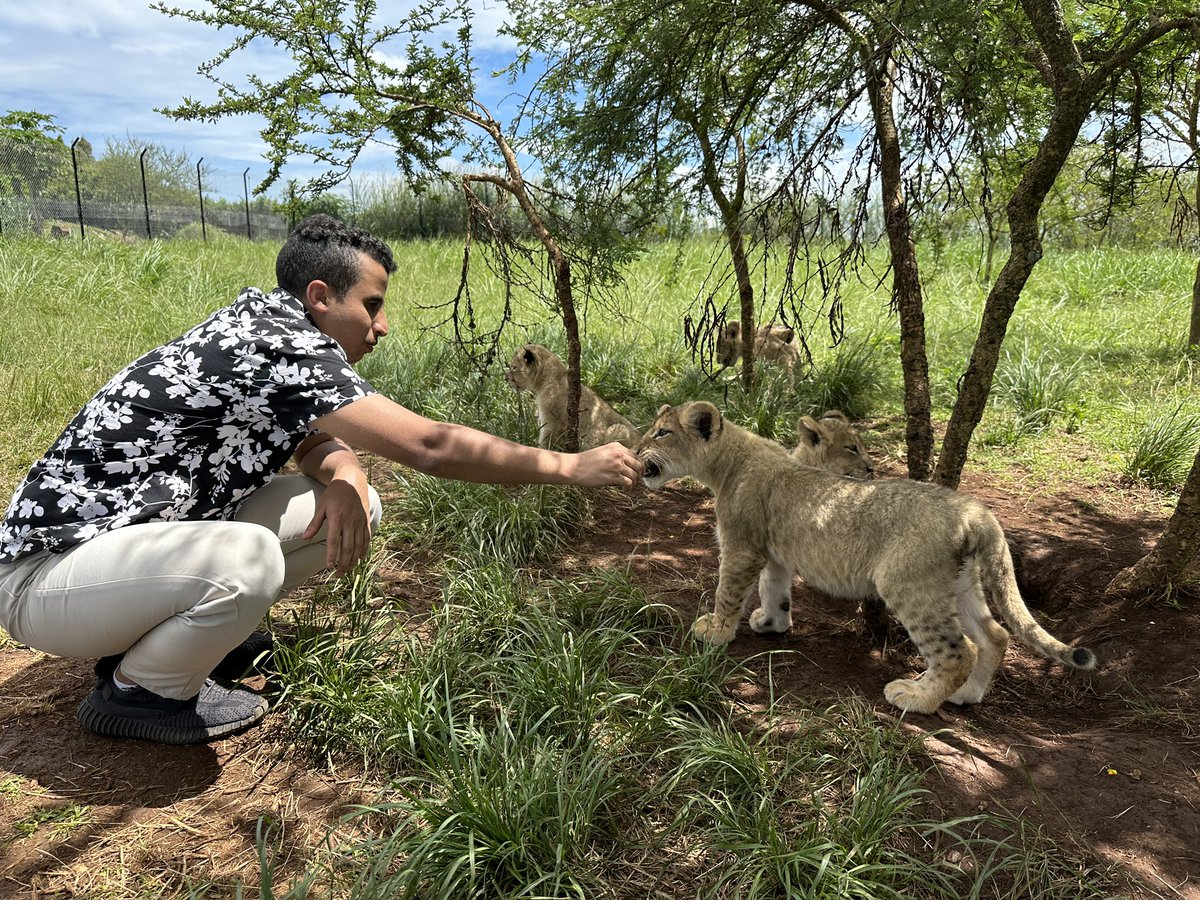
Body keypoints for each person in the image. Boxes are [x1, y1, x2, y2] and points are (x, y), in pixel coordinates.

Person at [0, 214, 643, 745]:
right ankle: (138, 690)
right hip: (44, 581)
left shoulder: (265, 331)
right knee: (247, 558)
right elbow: (429, 446)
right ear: (319, 297)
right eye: (372, 305)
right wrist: (567, 466)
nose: (382, 325)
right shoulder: (277, 343)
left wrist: (344, 473)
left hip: (113, 557)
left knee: (359, 503)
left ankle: (190, 641)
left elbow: (311, 438)